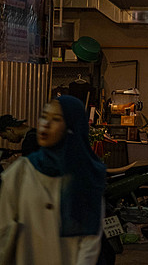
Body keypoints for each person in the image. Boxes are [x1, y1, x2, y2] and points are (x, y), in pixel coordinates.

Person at [0, 95, 106, 265]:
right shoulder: (20, 173)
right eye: (44, 116)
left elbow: (89, 243)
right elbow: (4, 231)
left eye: (56, 119)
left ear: (71, 127)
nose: (45, 124)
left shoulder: (85, 176)